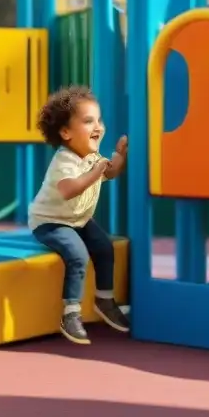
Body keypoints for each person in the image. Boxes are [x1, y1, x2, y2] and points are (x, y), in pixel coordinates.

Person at [28, 86, 131, 345]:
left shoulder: (92, 156)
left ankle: (104, 300)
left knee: (104, 248)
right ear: (66, 133)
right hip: (51, 222)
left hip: (79, 220)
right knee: (77, 255)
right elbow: (68, 189)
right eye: (88, 121)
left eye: (99, 120)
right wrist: (96, 172)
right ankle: (70, 312)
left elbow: (110, 172)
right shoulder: (65, 160)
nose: (98, 126)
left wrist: (120, 156)